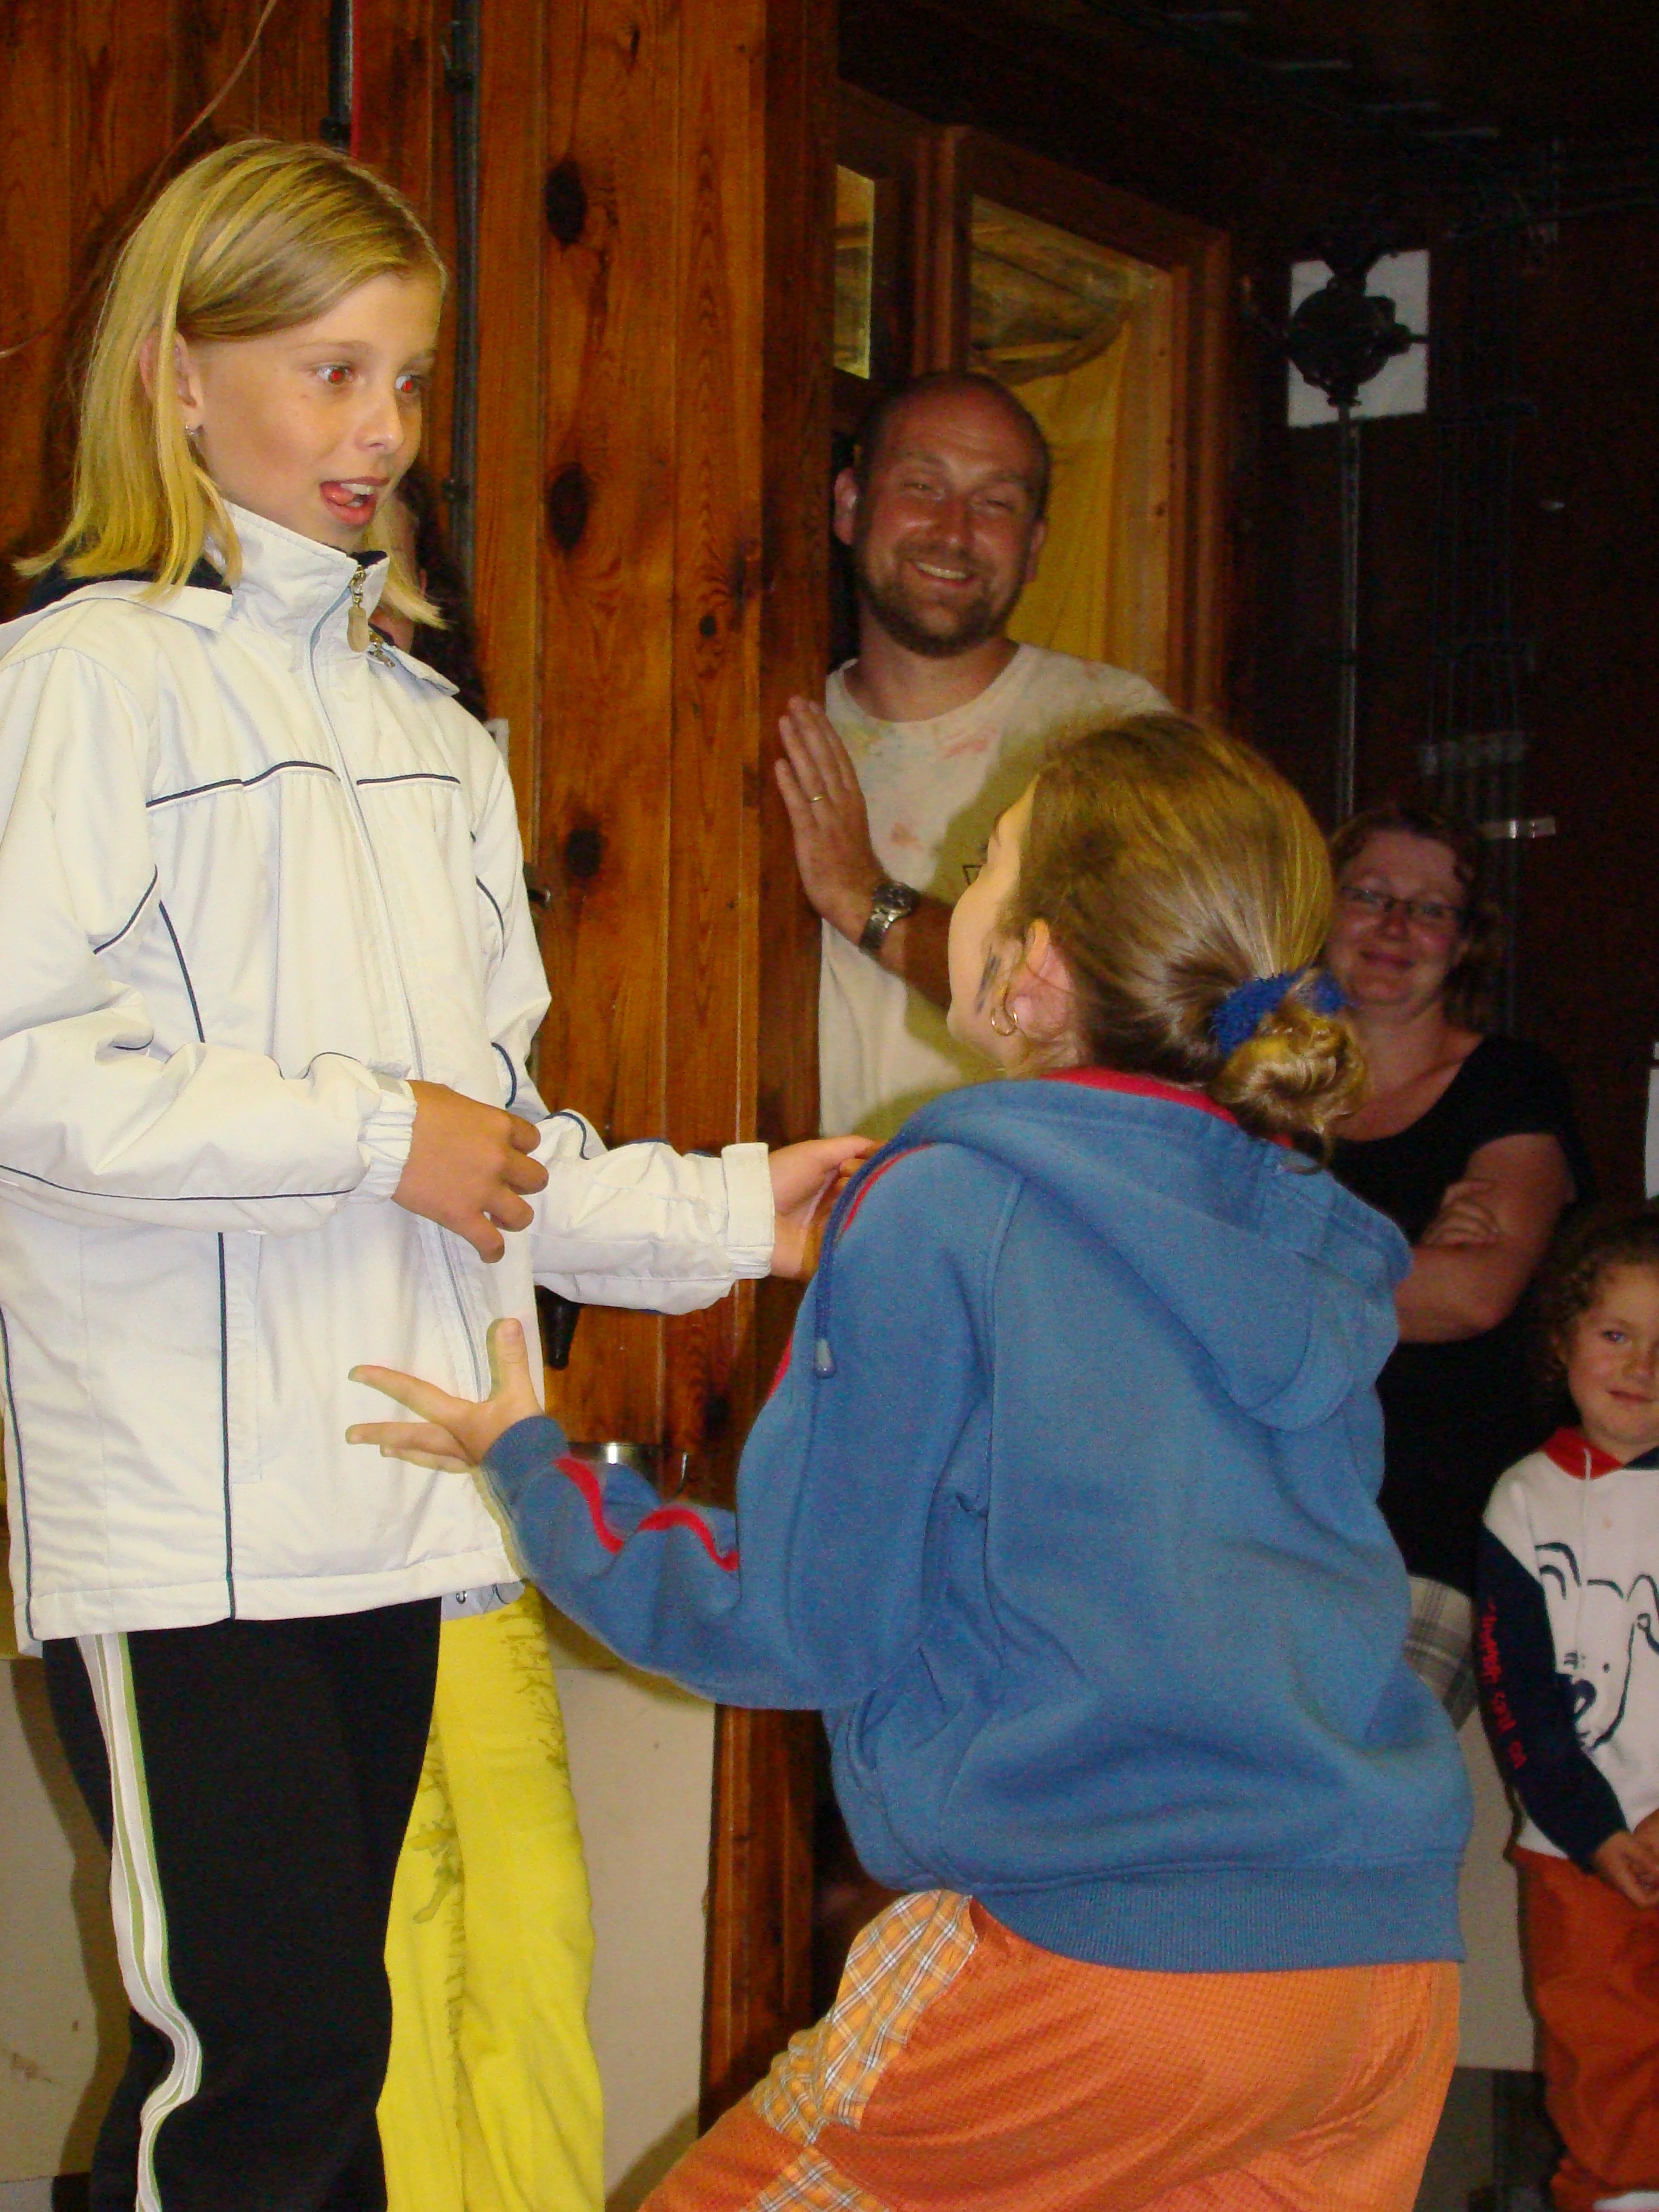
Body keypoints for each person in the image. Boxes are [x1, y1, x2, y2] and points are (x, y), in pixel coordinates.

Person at [0, 136, 861, 2212]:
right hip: (179, 1524)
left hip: (395, 1502)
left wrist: (739, 1211)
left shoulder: (433, 731)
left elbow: (500, 1156)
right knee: (259, 2071)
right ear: (176, 379)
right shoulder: (80, 681)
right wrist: (381, 1128)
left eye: (404, 377)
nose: (381, 428)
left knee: (335, 2066)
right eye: (328, 371)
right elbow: (27, 1074)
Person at [354, 712, 1472, 2212]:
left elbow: (794, 1622)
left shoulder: (946, 1205)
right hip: (1384, 1976)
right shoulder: (1299, 1231)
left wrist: (535, 1473)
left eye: (985, 858)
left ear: (1034, 969)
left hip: (1107, 1964)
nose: (958, 876)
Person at [369, 472, 602, 2212]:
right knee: (369, 1992)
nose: (365, 631)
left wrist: (730, 1212)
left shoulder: (458, 795)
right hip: (287, 1551)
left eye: (395, 598)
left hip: (475, 1538)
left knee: (532, 1950)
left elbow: (530, 1156)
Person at [775, 369, 1167, 1141]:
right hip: (807, 1207)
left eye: (996, 503)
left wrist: (865, 898)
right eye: (922, 486)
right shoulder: (773, 728)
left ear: (1035, 546)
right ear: (850, 505)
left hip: (1020, 1204)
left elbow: (1125, 1016)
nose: (954, 532)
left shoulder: (1114, 732)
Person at [1325, 801, 1588, 1725]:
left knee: (1353, 1778)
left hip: (1432, 1533)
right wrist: (1408, 1253)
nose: (1396, 926)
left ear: (1466, 942)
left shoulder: (1510, 1085)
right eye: (1370, 895)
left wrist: (1256, 1276)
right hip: (1258, 1516)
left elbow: (1471, 1295)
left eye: (1431, 909)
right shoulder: (1264, 1093)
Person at [1477, 1202, 1659, 2212]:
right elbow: (1518, 1694)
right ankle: (1620, 2193)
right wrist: (1593, 1828)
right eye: (1617, 1335)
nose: (1642, 1367)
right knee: (1598, 2037)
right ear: (1565, 1342)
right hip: (1576, 1848)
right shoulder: (1524, 1500)